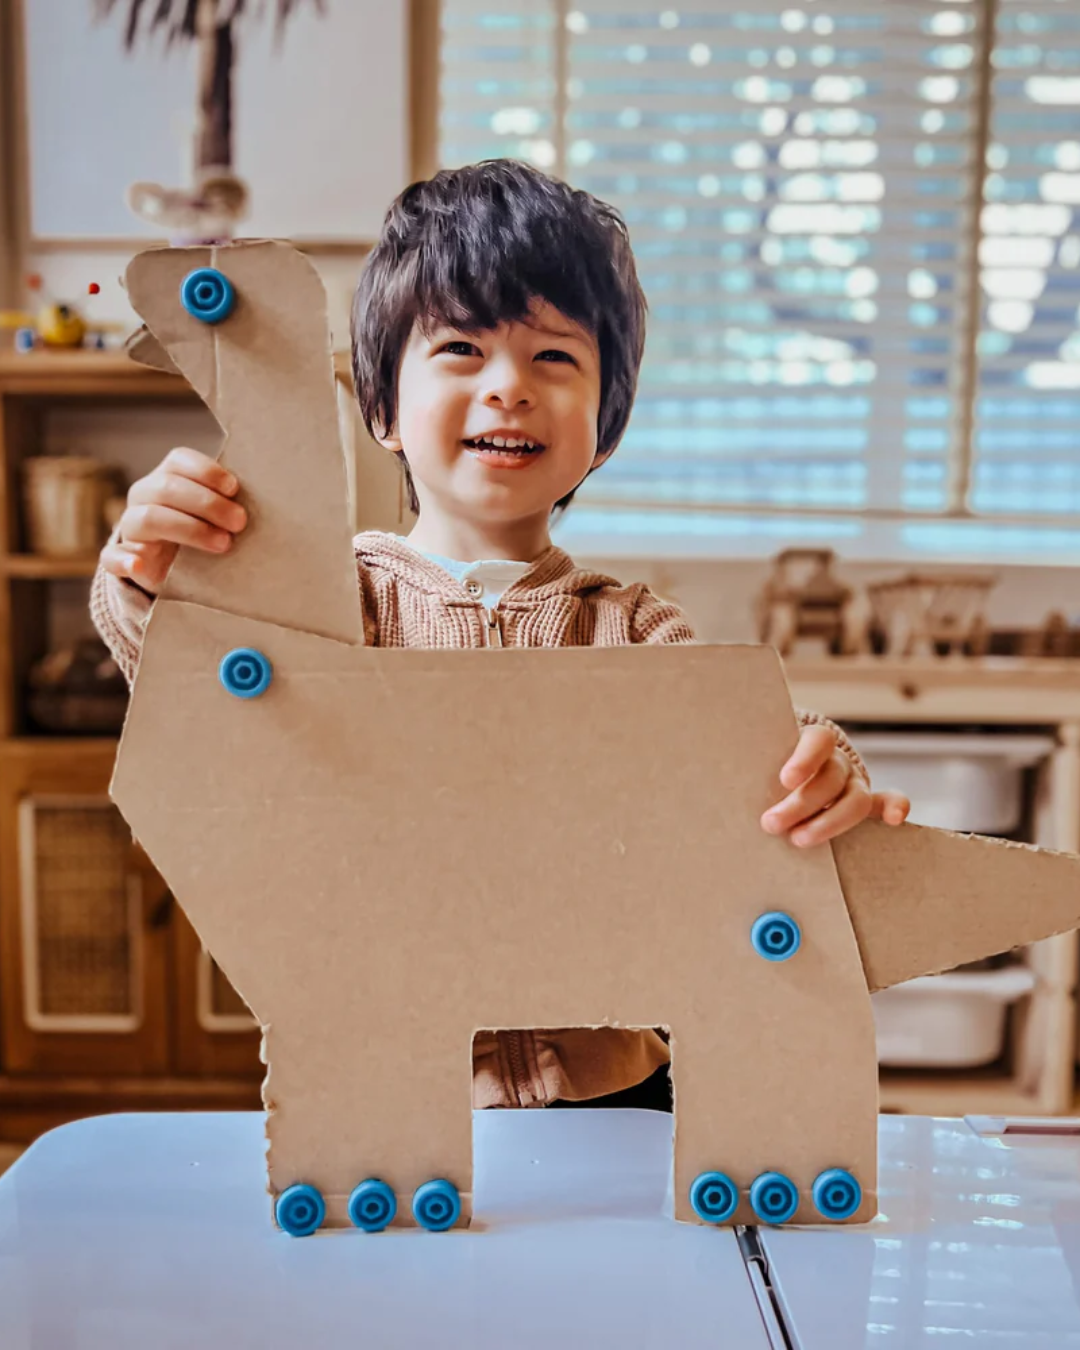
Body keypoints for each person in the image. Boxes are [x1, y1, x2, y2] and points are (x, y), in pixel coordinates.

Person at [92, 159, 909, 1114]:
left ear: (605, 427)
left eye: (554, 357)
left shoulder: (635, 632)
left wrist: (821, 767)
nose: (509, 387)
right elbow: (194, 675)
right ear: (383, 409)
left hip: (619, 1085)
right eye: (461, 349)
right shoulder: (329, 605)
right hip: (382, 1082)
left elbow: (748, 758)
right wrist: (146, 574)